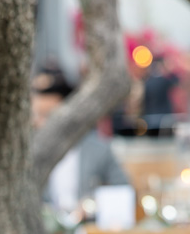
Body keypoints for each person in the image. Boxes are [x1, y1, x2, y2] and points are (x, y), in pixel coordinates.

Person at [31, 69, 128, 214]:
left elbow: (122, 190)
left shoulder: (99, 149)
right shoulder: (29, 153)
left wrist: (92, 206)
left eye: (47, 115)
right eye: (37, 115)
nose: (40, 123)